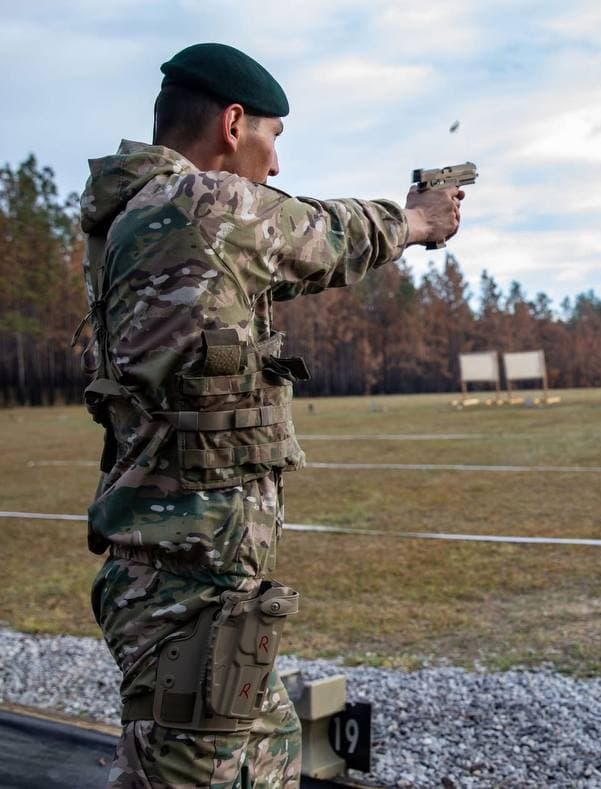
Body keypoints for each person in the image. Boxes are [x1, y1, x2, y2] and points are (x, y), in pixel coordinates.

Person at [79, 42, 463, 787]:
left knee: (273, 757)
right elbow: (327, 234)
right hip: (184, 591)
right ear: (232, 123)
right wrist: (417, 219)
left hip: (192, 581)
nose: (276, 164)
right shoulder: (198, 204)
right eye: (273, 137)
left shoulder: (139, 217)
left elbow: (269, 262)